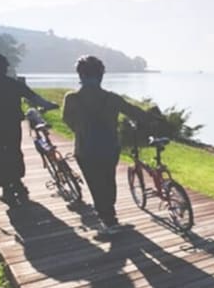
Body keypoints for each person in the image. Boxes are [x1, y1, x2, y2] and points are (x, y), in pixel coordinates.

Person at [62, 55, 155, 238]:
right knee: (108, 181)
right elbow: (135, 112)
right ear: (101, 75)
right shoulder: (112, 98)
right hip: (109, 147)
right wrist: (152, 118)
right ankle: (110, 218)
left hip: (85, 149)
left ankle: (107, 219)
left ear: (80, 74)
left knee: (95, 184)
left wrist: (81, 130)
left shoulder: (72, 98)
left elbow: (66, 119)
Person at [0, 51, 58, 206]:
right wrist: (48, 105)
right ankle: (13, 184)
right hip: (5, 126)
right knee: (8, 154)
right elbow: (34, 97)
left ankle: (11, 186)